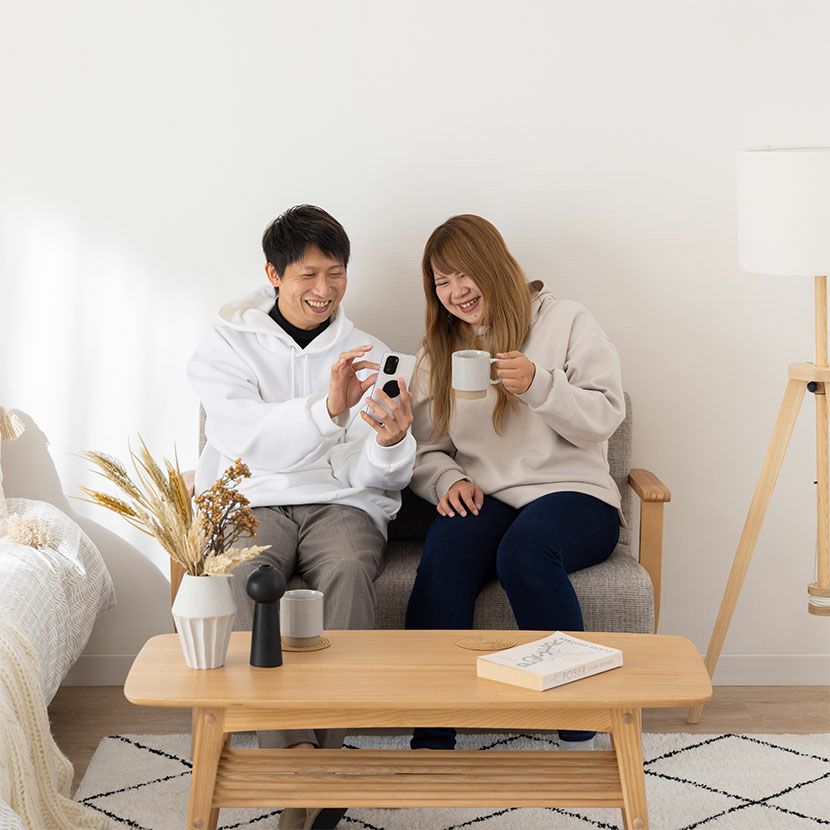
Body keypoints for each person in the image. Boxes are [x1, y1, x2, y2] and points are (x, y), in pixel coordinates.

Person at [187, 205, 415, 830]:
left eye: (336, 274)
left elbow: (376, 476)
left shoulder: (372, 355)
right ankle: (296, 759)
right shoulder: (225, 345)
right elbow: (245, 439)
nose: (323, 289)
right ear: (274, 274)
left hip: (341, 501)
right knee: (243, 575)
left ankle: (324, 757)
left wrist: (392, 443)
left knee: (347, 568)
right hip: (252, 498)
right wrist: (327, 411)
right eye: (307, 275)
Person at [405, 214, 624, 751]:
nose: (456, 291)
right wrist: (446, 479)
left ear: (494, 265)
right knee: (445, 555)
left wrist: (539, 385)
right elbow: (425, 447)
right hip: (489, 493)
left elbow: (604, 416)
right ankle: (432, 737)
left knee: (525, 553)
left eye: (464, 274)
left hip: (574, 491)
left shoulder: (566, 320)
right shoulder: (439, 349)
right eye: (442, 281)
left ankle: (578, 727)